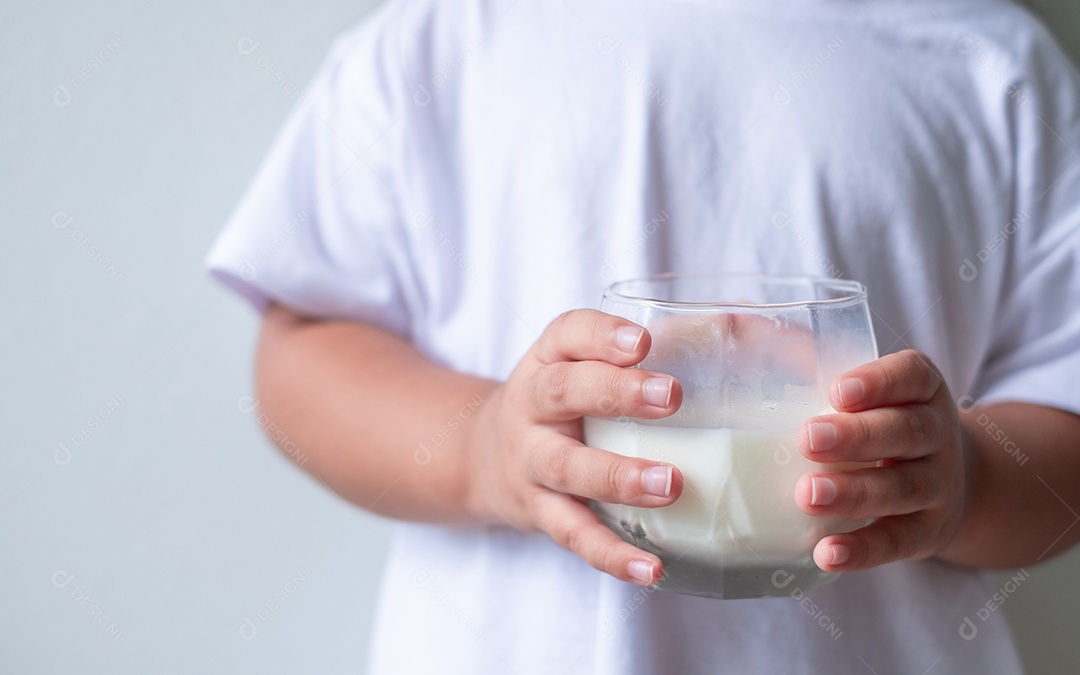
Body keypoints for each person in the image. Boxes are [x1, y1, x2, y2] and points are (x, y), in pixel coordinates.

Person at [208, 0, 1080, 671]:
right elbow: (303, 347)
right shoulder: (444, 36)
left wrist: (967, 482)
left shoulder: (992, 63)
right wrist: (484, 449)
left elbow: (1066, 420)